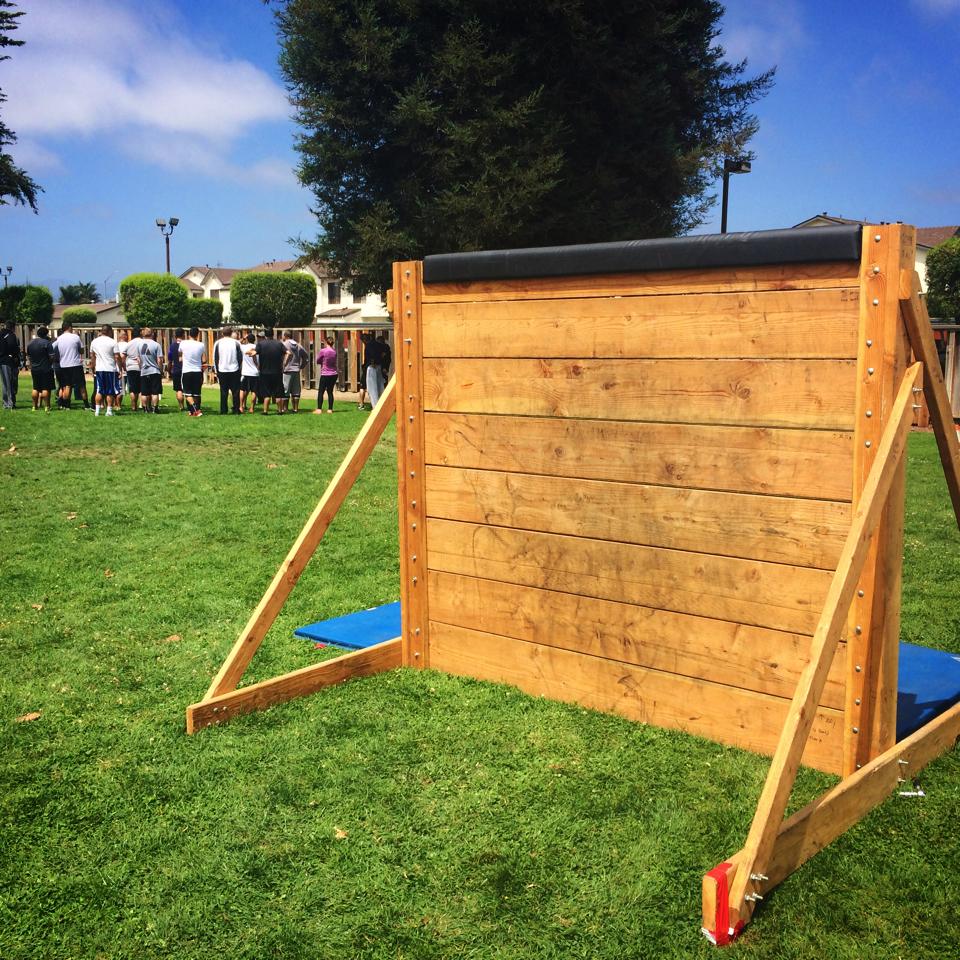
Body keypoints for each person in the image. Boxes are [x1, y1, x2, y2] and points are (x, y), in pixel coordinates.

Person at [53, 319, 89, 410]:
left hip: (64, 365)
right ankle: (86, 405)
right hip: (76, 364)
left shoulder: (59, 338)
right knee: (81, 385)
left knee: (67, 385)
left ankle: (67, 405)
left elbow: (52, 347)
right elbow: (81, 350)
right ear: (69, 327)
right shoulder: (75, 337)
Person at [255, 327, 289, 415]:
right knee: (278, 393)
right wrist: (285, 362)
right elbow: (288, 353)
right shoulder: (279, 344)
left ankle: (265, 411)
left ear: (265, 335)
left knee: (266, 393)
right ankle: (280, 410)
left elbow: (254, 353)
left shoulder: (261, 344)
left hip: (264, 372)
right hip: (277, 371)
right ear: (273, 334)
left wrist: (256, 364)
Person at [89, 323, 121, 416]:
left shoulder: (94, 342)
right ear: (109, 331)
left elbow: (92, 356)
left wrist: (93, 367)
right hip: (110, 369)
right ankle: (109, 411)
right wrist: (120, 369)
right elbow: (117, 356)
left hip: (99, 369)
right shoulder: (112, 342)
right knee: (109, 391)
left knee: (99, 390)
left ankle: (97, 411)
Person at [213, 325, 243, 414]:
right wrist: (240, 369)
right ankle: (236, 409)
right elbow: (240, 357)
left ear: (222, 333)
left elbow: (215, 358)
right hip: (234, 369)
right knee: (235, 391)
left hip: (222, 370)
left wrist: (216, 370)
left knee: (223, 391)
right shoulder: (236, 343)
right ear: (231, 333)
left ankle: (223, 410)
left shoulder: (218, 343)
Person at [178, 326, 207, 417]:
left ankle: (195, 410)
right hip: (197, 371)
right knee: (196, 393)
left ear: (189, 334)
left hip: (187, 371)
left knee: (187, 393)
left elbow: (180, 354)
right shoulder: (201, 345)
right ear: (198, 334)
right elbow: (204, 359)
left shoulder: (183, 343)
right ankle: (194, 411)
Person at [26, 325, 55, 412]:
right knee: (45, 388)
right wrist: (49, 362)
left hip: (34, 369)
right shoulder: (47, 343)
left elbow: (29, 357)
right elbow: (52, 357)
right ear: (46, 334)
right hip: (45, 368)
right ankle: (47, 406)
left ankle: (34, 407)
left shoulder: (30, 343)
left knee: (35, 388)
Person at [138, 327, 164, 413]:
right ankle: (155, 408)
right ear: (152, 334)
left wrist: (141, 367)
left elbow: (138, 359)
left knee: (144, 392)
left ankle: (145, 409)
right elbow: (159, 360)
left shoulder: (139, 345)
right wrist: (160, 370)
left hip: (144, 371)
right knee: (155, 392)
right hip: (154, 370)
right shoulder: (156, 345)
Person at [281, 331, 309, 413]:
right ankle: (295, 408)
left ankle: (285, 408)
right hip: (296, 370)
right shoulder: (298, 345)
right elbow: (306, 357)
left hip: (287, 370)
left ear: (285, 336)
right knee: (296, 390)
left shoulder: (284, 344)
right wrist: (301, 366)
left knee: (286, 389)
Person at [122, 325, 144, 412]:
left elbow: (122, 356)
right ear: (140, 333)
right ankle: (142, 405)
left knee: (133, 389)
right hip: (141, 367)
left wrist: (124, 366)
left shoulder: (129, 344)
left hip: (131, 367)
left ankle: (133, 406)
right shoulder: (143, 342)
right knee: (142, 388)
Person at [314, 335, 338, 415]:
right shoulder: (334, 352)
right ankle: (330, 409)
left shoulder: (323, 351)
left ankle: (319, 409)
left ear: (326, 342)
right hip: (334, 374)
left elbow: (318, 360)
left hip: (325, 374)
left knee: (321, 391)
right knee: (330, 392)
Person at [0, 320, 21, 409]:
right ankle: (10, 403)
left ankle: (6, 403)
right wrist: (15, 356)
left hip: (2, 360)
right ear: (13, 327)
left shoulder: (1, 334)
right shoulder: (10, 335)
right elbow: (13, 347)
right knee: (11, 383)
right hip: (9, 361)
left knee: (5, 383)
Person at [363, 331, 385, 408]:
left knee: (372, 388)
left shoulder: (368, 346)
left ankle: (375, 405)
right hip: (379, 366)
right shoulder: (380, 345)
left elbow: (370, 356)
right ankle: (381, 403)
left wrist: (372, 362)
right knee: (380, 386)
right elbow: (383, 354)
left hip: (372, 367)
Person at [239, 332, 259, 413]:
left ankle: (241, 407)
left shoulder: (244, 347)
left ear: (247, 339)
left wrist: (243, 338)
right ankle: (252, 408)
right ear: (255, 340)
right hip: (255, 372)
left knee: (242, 389)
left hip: (245, 372)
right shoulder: (257, 347)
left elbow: (238, 343)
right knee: (254, 391)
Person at [167, 327, 185, 412]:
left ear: (175, 336)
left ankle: (181, 406)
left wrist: (169, 370)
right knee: (187, 389)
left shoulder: (172, 346)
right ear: (183, 335)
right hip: (186, 369)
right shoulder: (186, 345)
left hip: (176, 369)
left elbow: (170, 359)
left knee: (178, 389)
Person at [114, 330, 128, 410]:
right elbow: (123, 357)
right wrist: (123, 367)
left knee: (115, 387)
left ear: (119, 337)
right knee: (121, 388)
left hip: (114, 369)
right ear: (125, 336)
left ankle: (114, 404)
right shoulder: (128, 345)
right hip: (123, 369)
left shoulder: (115, 345)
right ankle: (118, 405)